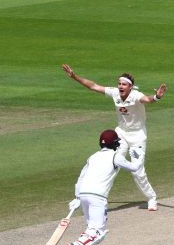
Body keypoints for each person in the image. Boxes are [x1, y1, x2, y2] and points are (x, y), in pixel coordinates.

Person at [61, 64, 166, 211]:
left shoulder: (136, 95)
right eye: (119, 83)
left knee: (137, 171)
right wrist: (74, 76)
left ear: (130, 87)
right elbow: (93, 86)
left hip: (137, 136)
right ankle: (93, 195)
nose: (120, 86)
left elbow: (148, 100)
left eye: (124, 84)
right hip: (121, 134)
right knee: (110, 163)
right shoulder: (115, 93)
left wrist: (157, 96)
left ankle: (151, 198)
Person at [65, 130, 144, 245]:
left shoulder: (92, 157)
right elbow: (134, 168)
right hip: (98, 197)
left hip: (84, 194)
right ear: (115, 143)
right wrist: (139, 156)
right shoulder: (116, 156)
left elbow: (81, 178)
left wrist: (77, 197)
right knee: (98, 231)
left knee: (91, 228)